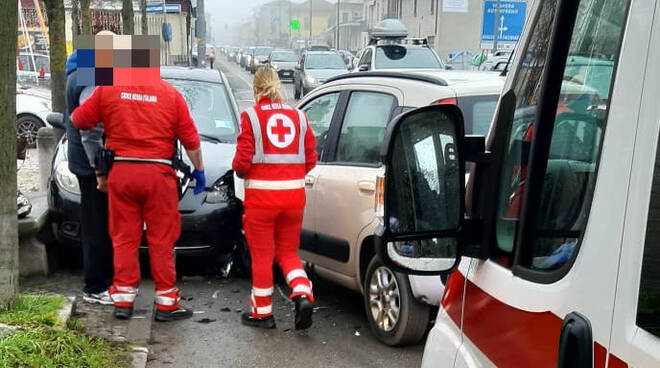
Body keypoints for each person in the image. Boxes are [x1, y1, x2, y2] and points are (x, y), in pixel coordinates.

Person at [71, 65, 206, 322]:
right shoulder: (170, 94)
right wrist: (199, 169)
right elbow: (191, 141)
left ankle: (123, 301)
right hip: (159, 176)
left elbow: (79, 120)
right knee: (162, 240)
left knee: (124, 238)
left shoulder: (107, 89)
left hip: (121, 174)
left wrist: (98, 168)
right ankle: (167, 303)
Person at [232, 67, 317, 330]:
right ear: (277, 86)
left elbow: (241, 163)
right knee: (288, 252)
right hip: (294, 198)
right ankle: (303, 293)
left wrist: (246, 169)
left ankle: (262, 313)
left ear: (256, 90)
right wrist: (289, 176)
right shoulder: (299, 116)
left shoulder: (252, 117)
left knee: (262, 255)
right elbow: (311, 158)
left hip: (261, 200)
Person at [64, 49, 114, 305]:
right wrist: (100, 170)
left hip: (82, 158)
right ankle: (96, 286)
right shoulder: (92, 77)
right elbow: (90, 126)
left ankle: (99, 281)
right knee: (97, 225)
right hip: (90, 162)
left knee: (95, 221)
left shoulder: (79, 70)